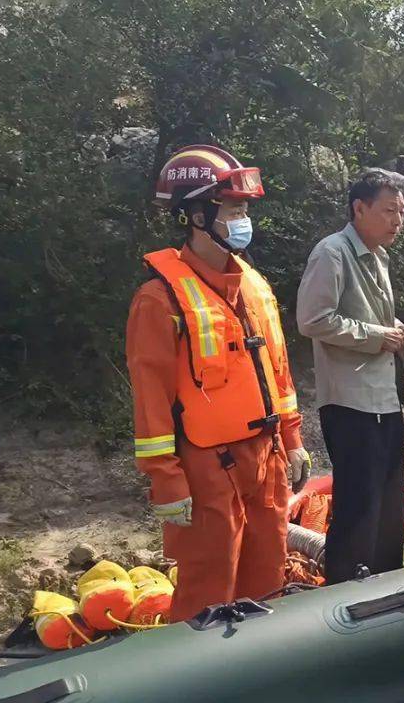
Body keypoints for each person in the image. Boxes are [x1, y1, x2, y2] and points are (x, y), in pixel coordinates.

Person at [126, 144, 311, 621]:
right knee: (208, 590)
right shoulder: (159, 299)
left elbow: (277, 370)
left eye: (244, 210)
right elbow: (151, 399)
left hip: (267, 455)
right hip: (207, 466)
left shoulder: (253, 284)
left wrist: (292, 440)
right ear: (197, 216)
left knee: (266, 581)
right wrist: (166, 479)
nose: (242, 219)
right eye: (232, 209)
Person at [296, 171, 404, 583]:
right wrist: (377, 336)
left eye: (401, 212)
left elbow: (370, 317)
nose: (397, 220)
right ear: (359, 208)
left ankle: (387, 586)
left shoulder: (379, 255)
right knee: (358, 506)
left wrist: (395, 328)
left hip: (384, 397)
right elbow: (313, 319)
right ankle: (346, 591)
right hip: (350, 400)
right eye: (389, 210)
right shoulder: (332, 253)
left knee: (389, 502)